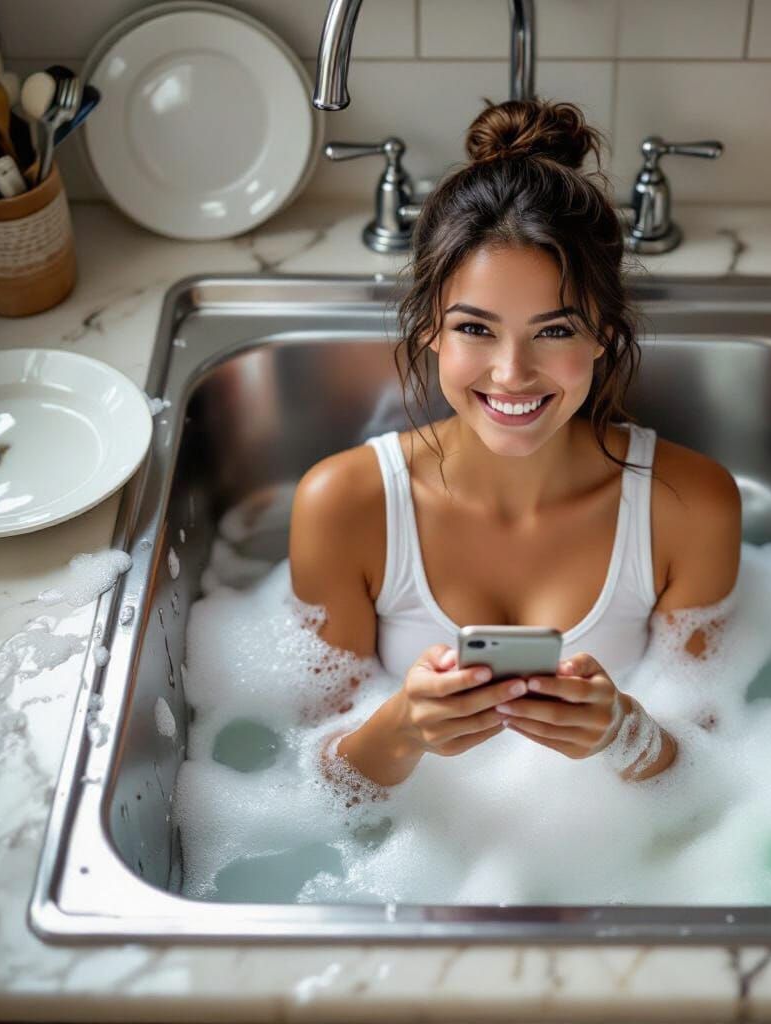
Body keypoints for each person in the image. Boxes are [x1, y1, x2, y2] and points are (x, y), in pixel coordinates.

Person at [289, 98, 741, 788]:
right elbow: (311, 784)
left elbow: (713, 776)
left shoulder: (692, 507)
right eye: (475, 329)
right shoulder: (343, 506)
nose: (511, 373)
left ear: (602, 336)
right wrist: (402, 729)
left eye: (555, 331)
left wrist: (626, 734)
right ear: (429, 329)